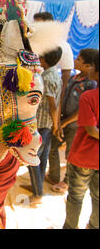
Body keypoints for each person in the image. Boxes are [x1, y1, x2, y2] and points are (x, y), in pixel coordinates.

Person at [48, 49, 98, 193]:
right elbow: (62, 97)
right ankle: (53, 175)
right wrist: (58, 122)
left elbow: (81, 111)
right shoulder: (73, 78)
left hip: (75, 124)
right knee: (53, 147)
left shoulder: (91, 85)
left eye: (79, 60)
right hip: (63, 120)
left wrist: (64, 123)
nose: (75, 61)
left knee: (71, 153)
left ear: (89, 66)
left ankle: (67, 181)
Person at [21, 46, 63, 205]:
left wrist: (55, 125)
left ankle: (38, 194)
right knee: (41, 158)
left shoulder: (46, 78)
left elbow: (53, 105)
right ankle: (36, 187)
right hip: (47, 123)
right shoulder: (52, 73)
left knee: (32, 159)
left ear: (43, 59)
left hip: (42, 124)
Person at [63, 49, 99, 229]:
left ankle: (70, 226)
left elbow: (91, 130)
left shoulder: (89, 97)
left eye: (92, 65)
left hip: (85, 155)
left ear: (95, 70)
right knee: (98, 198)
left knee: (76, 196)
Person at [33, 12, 74, 135]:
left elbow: (62, 87)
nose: (36, 27)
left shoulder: (62, 46)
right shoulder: (33, 41)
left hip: (45, 116)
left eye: (39, 24)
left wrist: (56, 121)